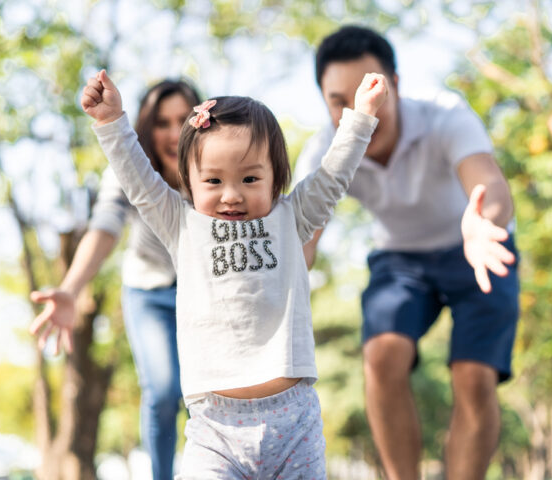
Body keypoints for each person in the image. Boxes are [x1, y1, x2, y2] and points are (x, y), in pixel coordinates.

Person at [33, 68, 387, 478]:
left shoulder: (293, 218)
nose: (232, 194)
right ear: (190, 181)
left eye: (251, 178)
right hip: (215, 431)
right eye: (214, 180)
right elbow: (138, 182)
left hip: (295, 425)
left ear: (276, 179)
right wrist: (111, 122)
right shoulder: (181, 224)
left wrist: (359, 118)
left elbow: (333, 176)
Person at [295, 26, 519, 480]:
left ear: (395, 85)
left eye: (370, 92)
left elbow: (490, 183)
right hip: (400, 260)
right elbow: (302, 243)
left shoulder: (444, 115)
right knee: (381, 355)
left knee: (474, 378)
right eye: (338, 101)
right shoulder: (324, 150)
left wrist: (484, 222)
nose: (358, 112)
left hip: (477, 245)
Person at [28, 79, 200, 480]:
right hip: (148, 292)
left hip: (202, 296)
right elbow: (105, 226)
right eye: (162, 122)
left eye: (182, 120)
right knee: (161, 392)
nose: (173, 133)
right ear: (146, 126)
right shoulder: (129, 164)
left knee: (206, 395)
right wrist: (71, 288)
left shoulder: (213, 167)